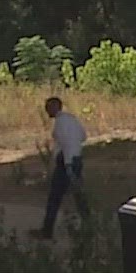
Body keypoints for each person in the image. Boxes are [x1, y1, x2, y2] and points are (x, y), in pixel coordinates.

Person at [37, 96, 89, 238]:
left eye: (48, 107)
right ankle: (90, 225)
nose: (46, 110)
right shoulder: (72, 119)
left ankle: (47, 230)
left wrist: (67, 164)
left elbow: (66, 145)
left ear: (55, 107)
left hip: (67, 163)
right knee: (79, 196)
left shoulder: (60, 123)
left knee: (55, 197)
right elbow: (83, 136)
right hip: (77, 159)